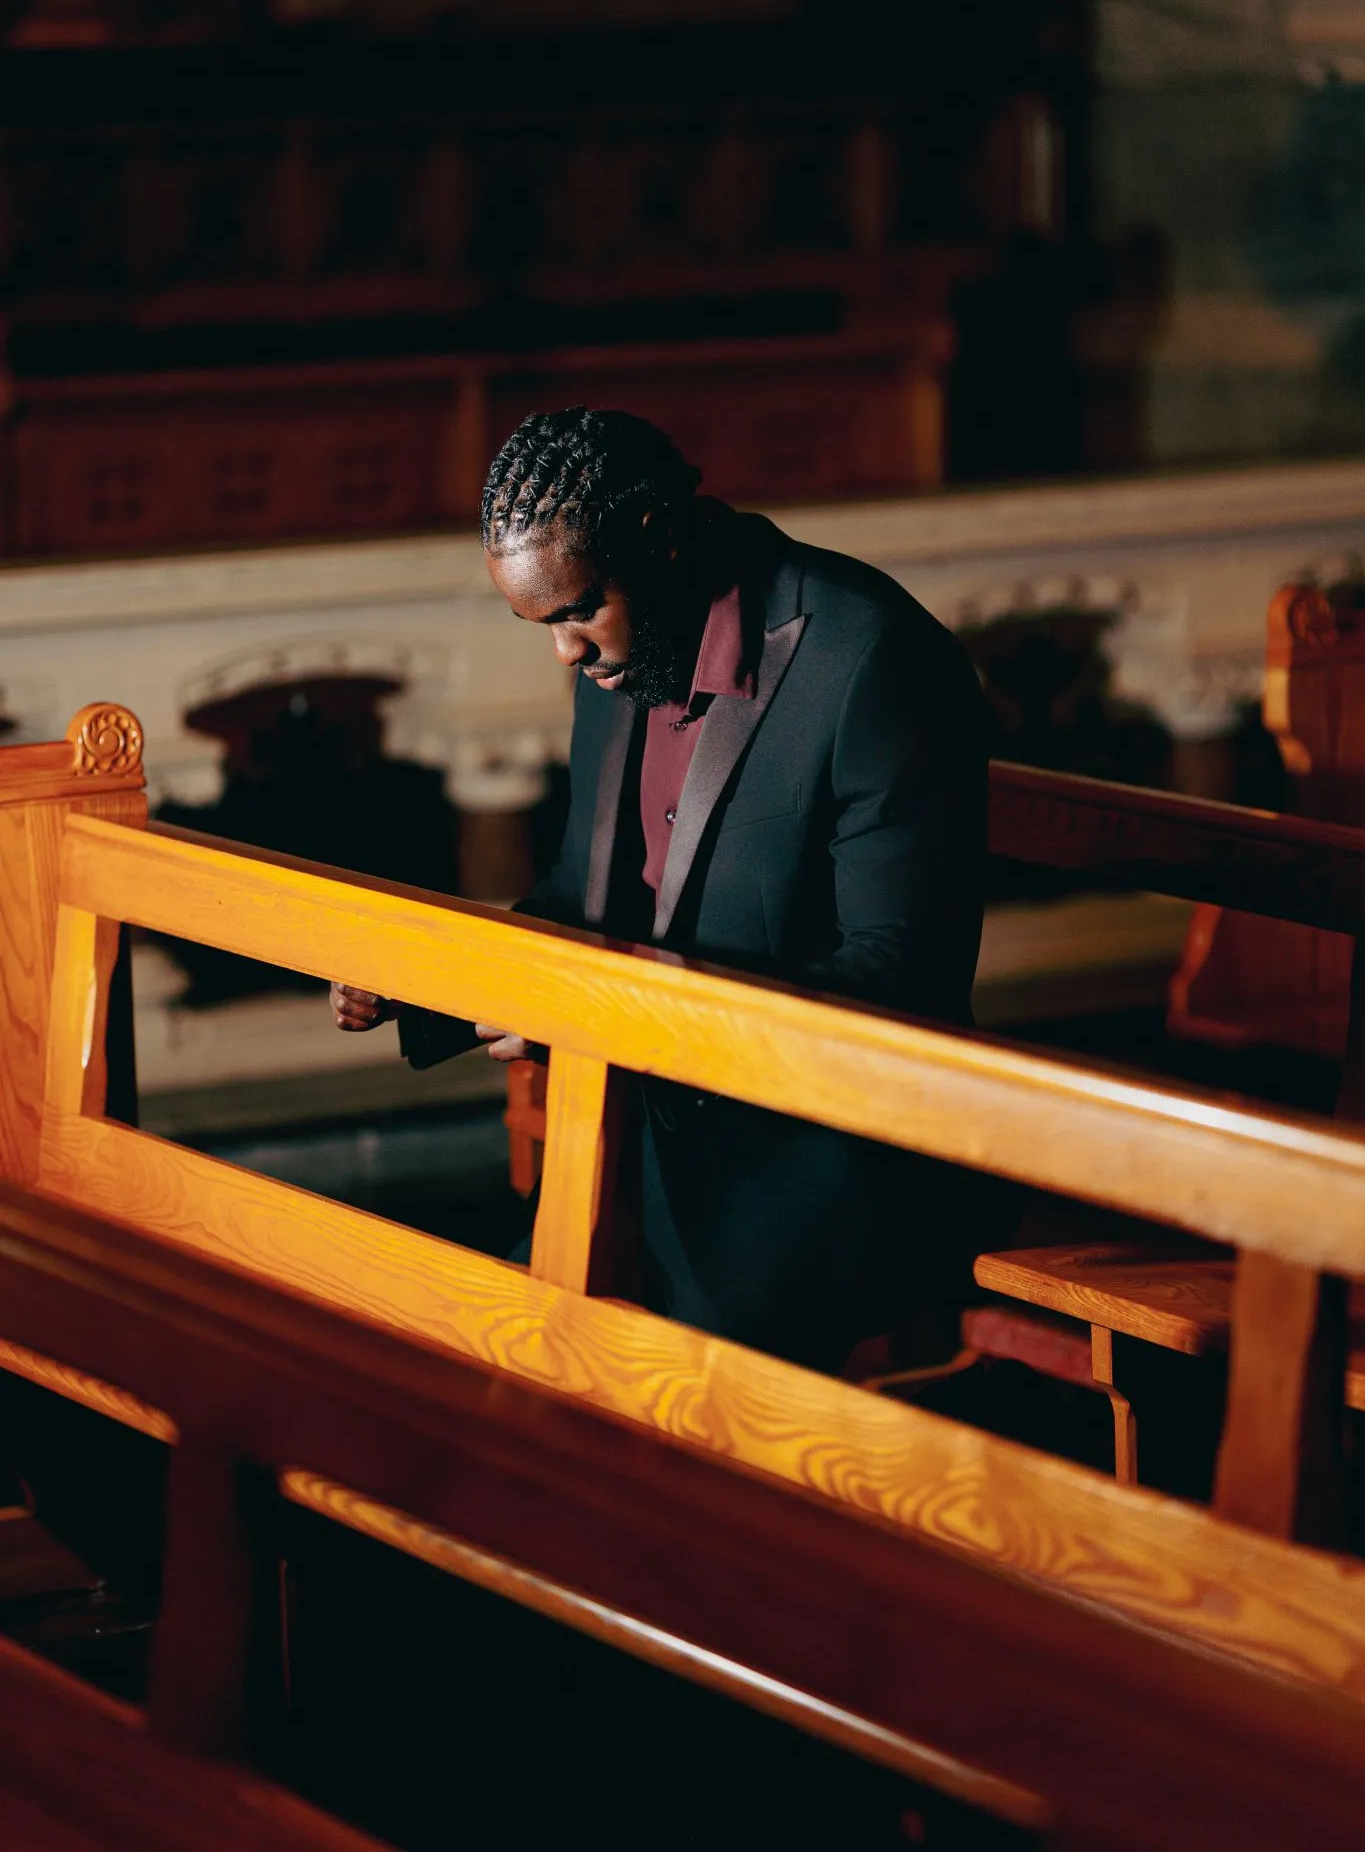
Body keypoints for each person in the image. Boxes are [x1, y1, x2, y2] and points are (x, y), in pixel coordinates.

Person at [332, 407, 1004, 1371]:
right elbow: (584, 900)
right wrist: (429, 977)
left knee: (586, 1407)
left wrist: (607, 1010)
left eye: (574, 610)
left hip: (809, 1168)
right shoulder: (624, 654)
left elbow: (904, 978)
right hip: (632, 1144)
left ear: (654, 538)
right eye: (541, 622)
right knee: (445, 1364)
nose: (563, 649)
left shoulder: (870, 657)